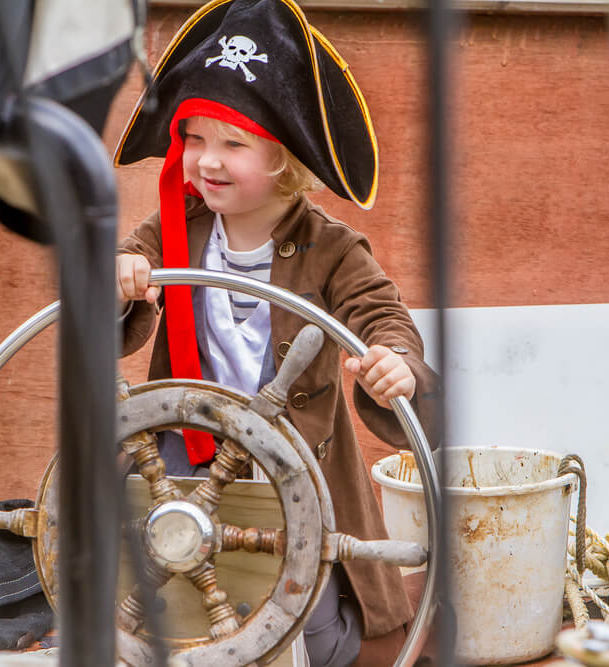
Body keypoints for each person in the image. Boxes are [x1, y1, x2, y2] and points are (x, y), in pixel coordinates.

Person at [113, 1, 440, 664]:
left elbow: (383, 316)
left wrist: (396, 361)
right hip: (185, 447)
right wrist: (120, 275)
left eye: (232, 144)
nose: (206, 160)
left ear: (287, 158)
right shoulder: (178, 224)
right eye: (196, 138)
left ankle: (352, 631)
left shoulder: (332, 247)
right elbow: (118, 271)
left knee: (304, 632)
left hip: (292, 469)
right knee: (155, 592)